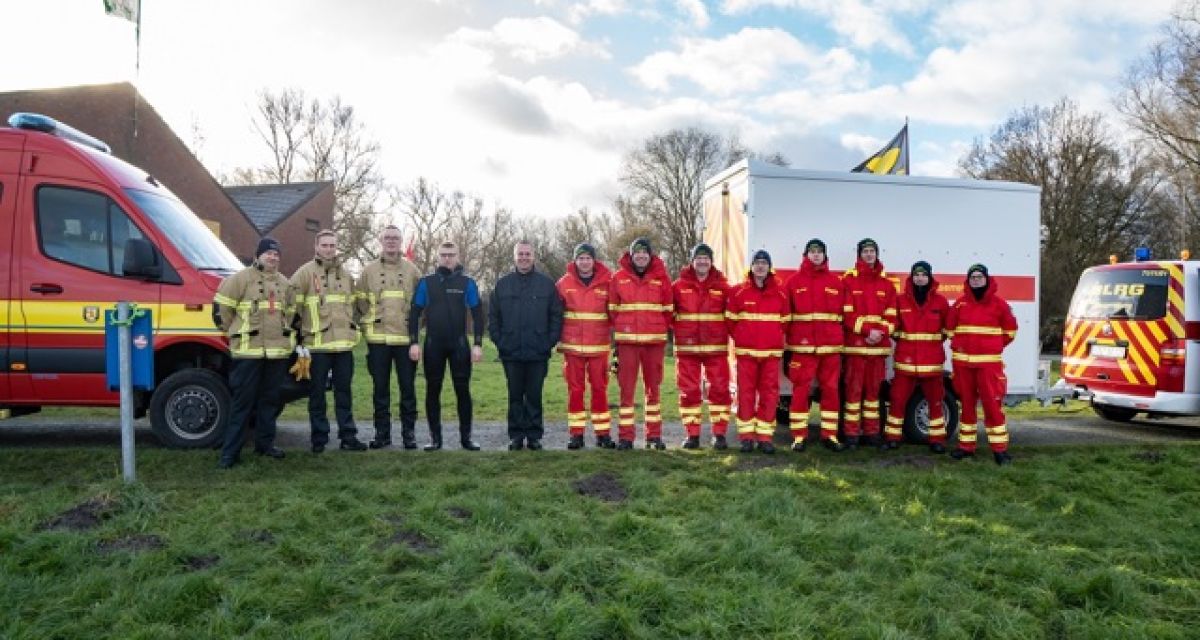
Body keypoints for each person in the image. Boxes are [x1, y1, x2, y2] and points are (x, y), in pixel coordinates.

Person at [213, 237, 294, 468]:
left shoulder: (284, 284)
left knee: (270, 402)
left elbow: (289, 314)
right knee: (242, 404)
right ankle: (230, 454)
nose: (273, 257)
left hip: (275, 353)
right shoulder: (240, 279)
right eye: (269, 253)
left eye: (277, 254)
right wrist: (234, 333)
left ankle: (265, 445)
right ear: (258, 255)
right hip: (248, 353)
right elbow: (221, 311)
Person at [291, 229, 367, 453]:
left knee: (344, 393)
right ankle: (319, 439)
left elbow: (354, 306)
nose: (329, 249)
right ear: (316, 247)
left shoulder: (345, 275)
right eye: (324, 245)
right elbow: (292, 309)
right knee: (317, 396)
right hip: (317, 346)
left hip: (344, 346)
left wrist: (353, 328)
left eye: (332, 245)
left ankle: (348, 436)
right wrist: (298, 339)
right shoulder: (304, 274)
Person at [408, 241, 484, 451]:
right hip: (433, 345)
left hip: (459, 344)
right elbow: (414, 313)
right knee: (433, 390)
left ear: (457, 256)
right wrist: (414, 342)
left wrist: (477, 344)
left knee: (463, 391)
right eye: (443, 255)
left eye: (451, 254)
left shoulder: (467, 282)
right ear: (437, 257)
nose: (447, 258)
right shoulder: (427, 282)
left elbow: (478, 313)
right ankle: (435, 439)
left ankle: (466, 438)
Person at [489, 241, 564, 450]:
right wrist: (500, 341)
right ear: (514, 257)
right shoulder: (502, 284)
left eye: (527, 254)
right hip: (511, 351)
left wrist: (549, 341)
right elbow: (493, 317)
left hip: (537, 351)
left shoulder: (546, 284)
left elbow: (556, 315)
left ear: (534, 256)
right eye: (520, 254)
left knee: (534, 394)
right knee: (514, 395)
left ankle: (533, 436)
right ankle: (515, 435)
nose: (523, 257)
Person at [356, 225, 422, 449]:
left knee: (408, 390)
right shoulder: (368, 272)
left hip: (404, 341)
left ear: (401, 242)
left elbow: (421, 307)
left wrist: (414, 332)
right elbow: (361, 303)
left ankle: (409, 434)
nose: (391, 242)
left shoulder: (413, 271)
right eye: (387, 238)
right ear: (380, 241)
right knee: (380, 390)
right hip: (378, 341)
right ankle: (382, 434)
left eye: (395, 238)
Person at [947, 263, 1018, 465]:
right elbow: (950, 329)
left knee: (992, 406)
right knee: (967, 407)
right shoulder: (960, 304)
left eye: (979, 276)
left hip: (988, 366)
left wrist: (992, 346)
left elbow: (1010, 332)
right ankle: (966, 447)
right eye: (972, 277)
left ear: (986, 279)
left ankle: (1000, 450)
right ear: (968, 281)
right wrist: (960, 346)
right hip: (963, 365)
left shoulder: (999, 305)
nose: (976, 280)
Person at [608, 237, 674, 450]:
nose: (641, 256)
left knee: (653, 390)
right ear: (631, 255)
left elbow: (668, 310)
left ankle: (653, 436)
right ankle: (626, 437)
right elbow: (612, 309)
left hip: (654, 343)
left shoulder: (662, 278)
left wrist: (658, 327)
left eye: (645, 252)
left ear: (650, 255)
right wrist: (623, 326)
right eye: (637, 252)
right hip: (627, 343)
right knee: (626, 391)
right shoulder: (618, 278)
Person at [784, 238, 845, 452]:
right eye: (812, 251)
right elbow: (785, 317)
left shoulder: (837, 283)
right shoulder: (793, 282)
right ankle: (799, 436)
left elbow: (844, 316)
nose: (816, 255)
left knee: (831, 391)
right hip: (803, 349)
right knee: (801, 391)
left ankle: (830, 435)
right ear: (806, 254)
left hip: (830, 349)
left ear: (825, 255)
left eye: (820, 251)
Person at [884, 261, 951, 453]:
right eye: (916, 275)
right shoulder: (900, 300)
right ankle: (892, 438)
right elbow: (894, 329)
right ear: (911, 277)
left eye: (923, 275)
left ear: (930, 277)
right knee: (897, 400)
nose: (919, 278)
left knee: (936, 403)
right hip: (906, 363)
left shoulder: (940, 302)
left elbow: (946, 330)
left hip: (932, 364)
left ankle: (937, 440)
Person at [727, 249, 789, 453]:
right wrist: (744, 337)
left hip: (770, 355)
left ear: (769, 267)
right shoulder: (738, 291)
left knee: (769, 396)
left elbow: (786, 323)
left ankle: (764, 437)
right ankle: (746, 437)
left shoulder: (780, 293)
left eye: (764, 262)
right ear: (751, 267)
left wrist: (772, 337)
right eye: (757, 263)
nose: (760, 266)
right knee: (745, 395)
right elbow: (730, 321)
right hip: (746, 354)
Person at [672, 243, 732, 449]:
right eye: (698, 258)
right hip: (687, 349)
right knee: (689, 391)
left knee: (720, 390)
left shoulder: (723, 287)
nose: (702, 261)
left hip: (716, 349)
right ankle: (692, 435)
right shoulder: (677, 287)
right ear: (692, 261)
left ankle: (720, 434)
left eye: (706, 258)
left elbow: (733, 316)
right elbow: (668, 314)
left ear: (711, 261)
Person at [555, 243, 615, 449]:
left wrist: (616, 346)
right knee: (575, 391)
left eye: (588, 258)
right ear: (575, 260)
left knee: (600, 389)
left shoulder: (608, 282)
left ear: (594, 260)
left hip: (599, 347)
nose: (584, 262)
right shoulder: (563, 284)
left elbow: (615, 314)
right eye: (580, 258)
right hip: (572, 348)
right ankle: (576, 434)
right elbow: (555, 315)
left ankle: (603, 434)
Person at [841, 238, 897, 449]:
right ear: (859, 254)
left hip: (878, 349)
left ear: (877, 254)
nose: (869, 254)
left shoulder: (887, 285)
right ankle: (851, 435)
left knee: (873, 396)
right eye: (865, 251)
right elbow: (846, 315)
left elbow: (892, 317)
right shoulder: (848, 282)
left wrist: (879, 333)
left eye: (872, 251)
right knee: (853, 394)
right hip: (856, 348)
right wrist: (867, 331)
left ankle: (872, 434)